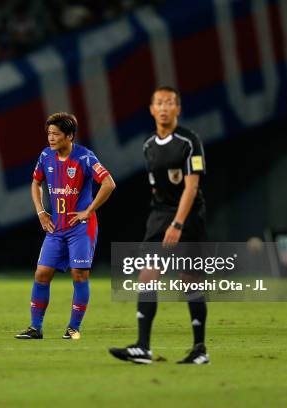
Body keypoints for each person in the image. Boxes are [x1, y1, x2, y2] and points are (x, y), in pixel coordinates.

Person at [109, 86, 210, 364]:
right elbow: (156, 186)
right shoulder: (148, 145)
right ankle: (143, 347)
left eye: (169, 103)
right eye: (159, 103)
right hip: (160, 214)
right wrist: (163, 219)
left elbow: (192, 187)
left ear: (178, 108)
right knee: (147, 275)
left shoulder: (189, 142)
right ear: (152, 110)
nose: (164, 107)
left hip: (187, 216)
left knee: (189, 280)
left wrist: (177, 224)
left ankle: (200, 350)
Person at [15, 112, 116, 340]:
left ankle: (73, 328)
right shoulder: (45, 156)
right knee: (41, 273)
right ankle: (35, 327)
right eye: (49, 133)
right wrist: (41, 211)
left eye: (56, 134)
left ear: (69, 136)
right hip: (56, 228)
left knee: (79, 275)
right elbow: (35, 182)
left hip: (80, 228)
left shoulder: (85, 157)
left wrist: (88, 211)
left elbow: (109, 183)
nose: (51, 138)